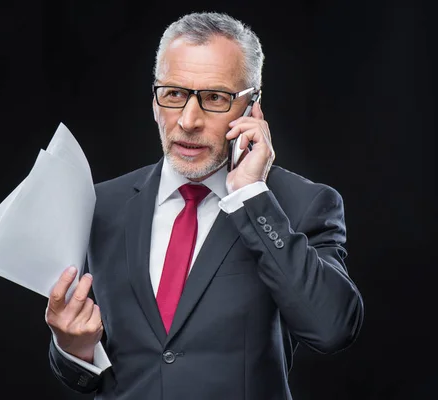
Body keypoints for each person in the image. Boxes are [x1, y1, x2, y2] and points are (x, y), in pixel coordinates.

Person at [44, 11, 364, 400]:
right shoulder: (100, 205)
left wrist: (251, 197)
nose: (189, 120)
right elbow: (89, 372)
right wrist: (72, 346)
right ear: (155, 99)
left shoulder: (301, 203)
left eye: (214, 98)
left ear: (252, 107)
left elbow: (333, 328)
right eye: (175, 94)